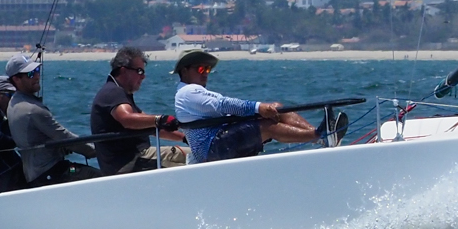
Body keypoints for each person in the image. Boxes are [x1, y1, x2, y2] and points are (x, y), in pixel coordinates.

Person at [171, 49, 321, 165]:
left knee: (277, 108)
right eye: (200, 69)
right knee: (267, 126)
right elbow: (224, 105)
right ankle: (317, 136)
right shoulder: (187, 92)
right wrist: (258, 108)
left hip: (219, 140)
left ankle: (319, 133)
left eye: (207, 69)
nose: (205, 73)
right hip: (210, 150)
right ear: (185, 71)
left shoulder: (193, 92)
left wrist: (261, 110)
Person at [4, 53, 99, 186]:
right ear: (16, 79)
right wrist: (95, 150)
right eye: (30, 74)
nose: (37, 76)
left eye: (37, 70)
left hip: (35, 174)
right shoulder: (32, 109)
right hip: (52, 173)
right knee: (99, 177)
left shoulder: (13, 103)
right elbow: (64, 137)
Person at [90, 46, 185, 174]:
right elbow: (127, 119)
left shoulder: (120, 94)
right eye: (139, 71)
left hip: (133, 161)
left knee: (192, 154)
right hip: (131, 162)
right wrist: (160, 119)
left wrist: (184, 138)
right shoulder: (113, 92)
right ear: (123, 71)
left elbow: (153, 127)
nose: (143, 76)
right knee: (195, 157)